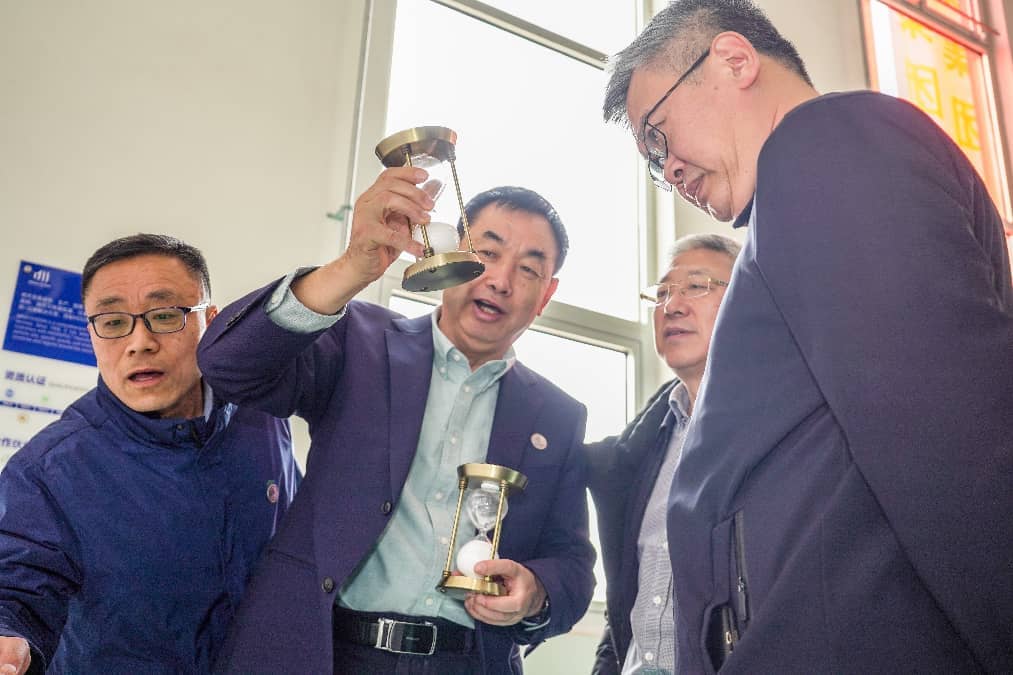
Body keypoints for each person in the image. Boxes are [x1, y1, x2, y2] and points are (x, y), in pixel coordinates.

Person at [603, 0, 1013, 672]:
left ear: (733, 60)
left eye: (658, 134)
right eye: (653, 161)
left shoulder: (827, 143)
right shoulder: (796, 200)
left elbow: (946, 433)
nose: (667, 169)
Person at [197, 173, 595, 674]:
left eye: (529, 269)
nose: (500, 280)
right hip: (327, 653)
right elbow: (228, 365)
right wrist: (351, 267)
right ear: (448, 257)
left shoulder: (558, 417)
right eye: (487, 253)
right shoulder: (359, 341)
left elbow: (572, 564)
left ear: (545, 296)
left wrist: (536, 591)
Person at [0, 234, 299, 674]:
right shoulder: (47, 470)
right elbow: (17, 584)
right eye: (112, 322)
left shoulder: (262, 419)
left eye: (164, 316)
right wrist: (9, 636)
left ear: (211, 322)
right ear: (91, 334)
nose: (139, 342)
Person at [586, 233, 739, 675]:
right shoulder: (638, 452)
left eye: (696, 286)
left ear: (747, 300)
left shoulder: (780, 435)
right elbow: (625, 604)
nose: (672, 305)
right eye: (662, 293)